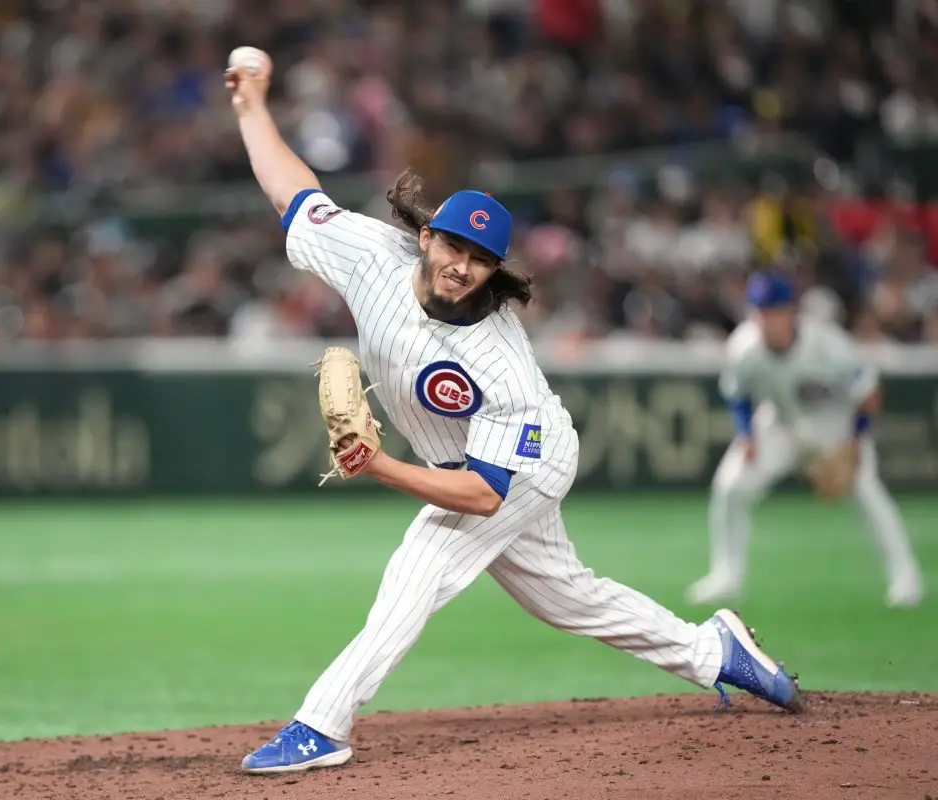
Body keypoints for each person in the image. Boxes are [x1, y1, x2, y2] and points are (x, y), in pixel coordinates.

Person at [224, 50, 806, 776]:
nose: (462, 265)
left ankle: (323, 722)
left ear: (495, 271)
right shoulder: (371, 254)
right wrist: (251, 107)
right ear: (427, 234)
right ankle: (713, 649)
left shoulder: (499, 363)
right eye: (453, 244)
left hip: (522, 462)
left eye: (480, 258)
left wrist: (379, 466)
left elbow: (483, 492)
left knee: (421, 565)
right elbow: (292, 191)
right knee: (569, 600)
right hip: (464, 462)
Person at [687, 272, 924, 608]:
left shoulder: (827, 343)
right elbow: (737, 394)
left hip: (835, 426)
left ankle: (906, 578)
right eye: (759, 310)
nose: (765, 319)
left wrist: (857, 439)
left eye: (773, 310)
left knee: (868, 495)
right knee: (731, 486)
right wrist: (746, 433)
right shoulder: (744, 347)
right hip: (780, 423)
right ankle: (726, 576)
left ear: (790, 312)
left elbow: (869, 394)